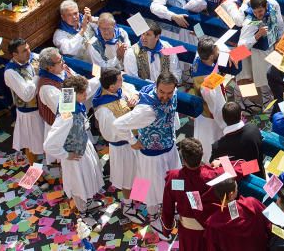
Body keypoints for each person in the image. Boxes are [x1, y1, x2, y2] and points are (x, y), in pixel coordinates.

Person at [113, 73, 183, 234]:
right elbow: (118, 125)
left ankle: (177, 205)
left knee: (176, 179)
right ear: (156, 88)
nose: (165, 96)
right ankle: (153, 216)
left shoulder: (173, 92)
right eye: (161, 92)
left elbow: (147, 86)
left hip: (170, 148)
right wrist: (132, 141)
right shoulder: (145, 110)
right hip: (152, 157)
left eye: (169, 93)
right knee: (152, 188)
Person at [42, 74, 105, 216]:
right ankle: (83, 211)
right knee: (78, 182)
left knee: (87, 178)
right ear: (73, 94)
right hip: (74, 155)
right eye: (83, 93)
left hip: (82, 147)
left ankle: (87, 202)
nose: (86, 94)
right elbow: (49, 144)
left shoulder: (72, 102)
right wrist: (66, 155)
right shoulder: (67, 115)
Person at [92, 67, 143, 223]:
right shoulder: (104, 109)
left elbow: (131, 89)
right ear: (112, 86)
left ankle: (139, 197)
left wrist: (134, 96)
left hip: (135, 141)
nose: (123, 80)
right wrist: (131, 140)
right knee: (128, 176)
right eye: (120, 79)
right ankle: (127, 206)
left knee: (141, 172)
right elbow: (110, 133)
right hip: (124, 147)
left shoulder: (118, 90)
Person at [162, 138, 226, 249]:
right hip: (211, 230)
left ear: (183, 159)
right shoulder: (213, 174)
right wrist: (222, 161)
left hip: (188, 234)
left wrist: (167, 229)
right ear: (202, 155)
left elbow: (168, 207)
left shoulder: (174, 178)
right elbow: (246, 167)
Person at [2, 38, 45, 166]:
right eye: (24, 51)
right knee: (32, 145)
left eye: (28, 48)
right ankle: (36, 173)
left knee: (49, 139)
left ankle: (52, 164)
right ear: (15, 55)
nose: (29, 52)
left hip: (45, 107)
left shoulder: (34, 57)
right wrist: (37, 75)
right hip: (30, 114)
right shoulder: (10, 72)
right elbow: (26, 95)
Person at [202, 176, 269, 250]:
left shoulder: (212, 224)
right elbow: (269, 224)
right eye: (236, 188)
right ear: (231, 194)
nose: (237, 190)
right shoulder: (252, 203)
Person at [190, 37, 228, 162]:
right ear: (212, 56)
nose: (218, 51)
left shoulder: (198, 58)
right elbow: (216, 106)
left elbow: (219, 46)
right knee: (212, 146)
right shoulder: (209, 81)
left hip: (201, 113)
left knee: (201, 140)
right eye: (216, 51)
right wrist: (225, 125)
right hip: (211, 118)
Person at [212, 101, 265, 165]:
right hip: (258, 173)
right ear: (241, 115)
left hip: (237, 174)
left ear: (223, 118)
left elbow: (217, 167)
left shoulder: (217, 147)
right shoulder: (253, 129)